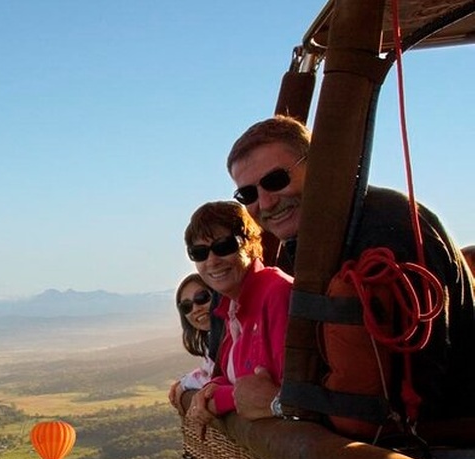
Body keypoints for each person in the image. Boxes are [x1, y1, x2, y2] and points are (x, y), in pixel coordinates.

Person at [226, 114, 475, 424]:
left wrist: (282, 404)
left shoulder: (387, 228)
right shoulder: (306, 245)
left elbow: (420, 381)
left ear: (320, 164)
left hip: (442, 440)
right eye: (247, 194)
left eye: (276, 180)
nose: (264, 202)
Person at [183, 201, 293, 434]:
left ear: (251, 245)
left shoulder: (276, 294)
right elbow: (235, 378)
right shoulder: (232, 308)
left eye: (224, 246)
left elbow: (282, 393)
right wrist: (212, 388)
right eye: (199, 253)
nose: (212, 261)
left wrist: (220, 400)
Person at [168, 273, 215, 414]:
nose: (195, 309)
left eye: (202, 298)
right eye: (186, 306)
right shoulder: (211, 340)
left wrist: (184, 385)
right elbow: (209, 372)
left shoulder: (234, 336)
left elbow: (214, 380)